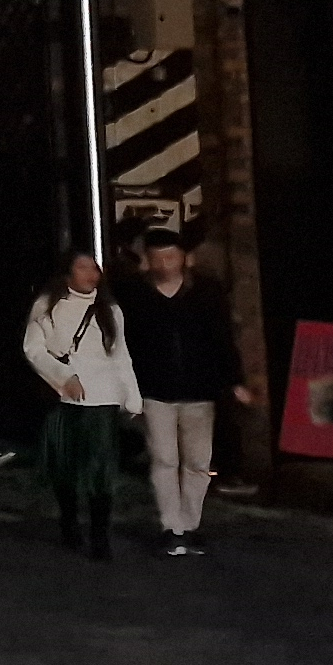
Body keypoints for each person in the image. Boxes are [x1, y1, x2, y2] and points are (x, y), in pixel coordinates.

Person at [117, 226, 253, 557]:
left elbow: (222, 337)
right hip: (154, 388)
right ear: (147, 261)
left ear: (183, 258)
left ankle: (190, 523)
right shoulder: (134, 293)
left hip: (199, 388)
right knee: (164, 458)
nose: (164, 264)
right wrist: (126, 386)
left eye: (170, 257)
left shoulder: (206, 291)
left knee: (197, 461)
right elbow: (124, 342)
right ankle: (171, 525)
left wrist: (234, 380)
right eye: (157, 258)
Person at [24, 249, 139, 560]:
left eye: (94, 268)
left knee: (101, 470)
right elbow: (34, 349)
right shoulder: (48, 305)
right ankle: (70, 522)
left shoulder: (110, 309)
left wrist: (132, 397)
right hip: (65, 397)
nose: (91, 274)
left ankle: (100, 537)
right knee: (66, 466)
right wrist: (65, 377)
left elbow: (120, 354)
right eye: (82, 267)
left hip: (103, 397)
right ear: (67, 273)